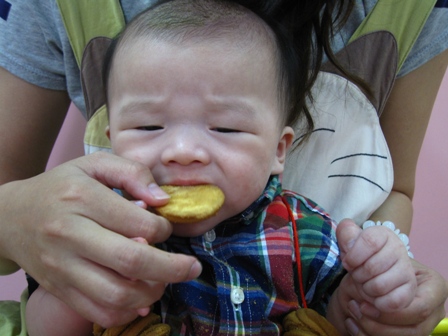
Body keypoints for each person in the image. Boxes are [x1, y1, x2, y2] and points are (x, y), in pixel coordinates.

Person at [0, 0, 446, 335]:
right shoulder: (99, 227)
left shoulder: (304, 229)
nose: (183, 150)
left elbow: (341, 312)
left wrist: (374, 290)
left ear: (279, 151)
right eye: (149, 125)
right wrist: (80, 294)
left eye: (226, 128)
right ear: (112, 140)